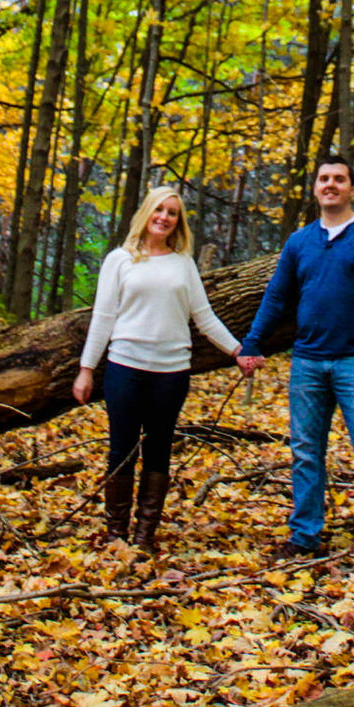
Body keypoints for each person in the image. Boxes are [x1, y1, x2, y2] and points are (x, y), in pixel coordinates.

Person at [236, 153, 354, 556]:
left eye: (339, 179)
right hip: (307, 362)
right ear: (315, 188)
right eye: (324, 179)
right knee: (306, 451)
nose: (331, 185)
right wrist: (252, 343)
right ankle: (305, 535)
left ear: (351, 188)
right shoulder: (300, 241)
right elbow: (277, 296)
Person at [74, 186, 240, 554]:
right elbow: (103, 318)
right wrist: (86, 369)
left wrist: (237, 350)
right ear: (146, 213)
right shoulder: (120, 260)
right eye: (159, 210)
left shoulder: (183, 263)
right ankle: (116, 533)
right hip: (125, 368)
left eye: (172, 213)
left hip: (171, 373)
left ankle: (144, 535)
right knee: (122, 449)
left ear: (178, 222)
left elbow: (204, 317)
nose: (164, 217)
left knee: (159, 449)